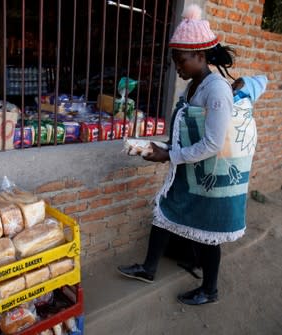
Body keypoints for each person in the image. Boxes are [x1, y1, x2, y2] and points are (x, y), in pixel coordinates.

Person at [117, 4, 267, 305]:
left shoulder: (216, 91)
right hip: (191, 171)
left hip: (209, 176)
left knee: (210, 230)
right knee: (165, 212)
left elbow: (212, 143)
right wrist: (154, 147)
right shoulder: (193, 86)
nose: (177, 67)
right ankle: (148, 268)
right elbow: (186, 130)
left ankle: (210, 290)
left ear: (200, 56)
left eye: (180, 59)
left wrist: (168, 155)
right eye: (174, 60)